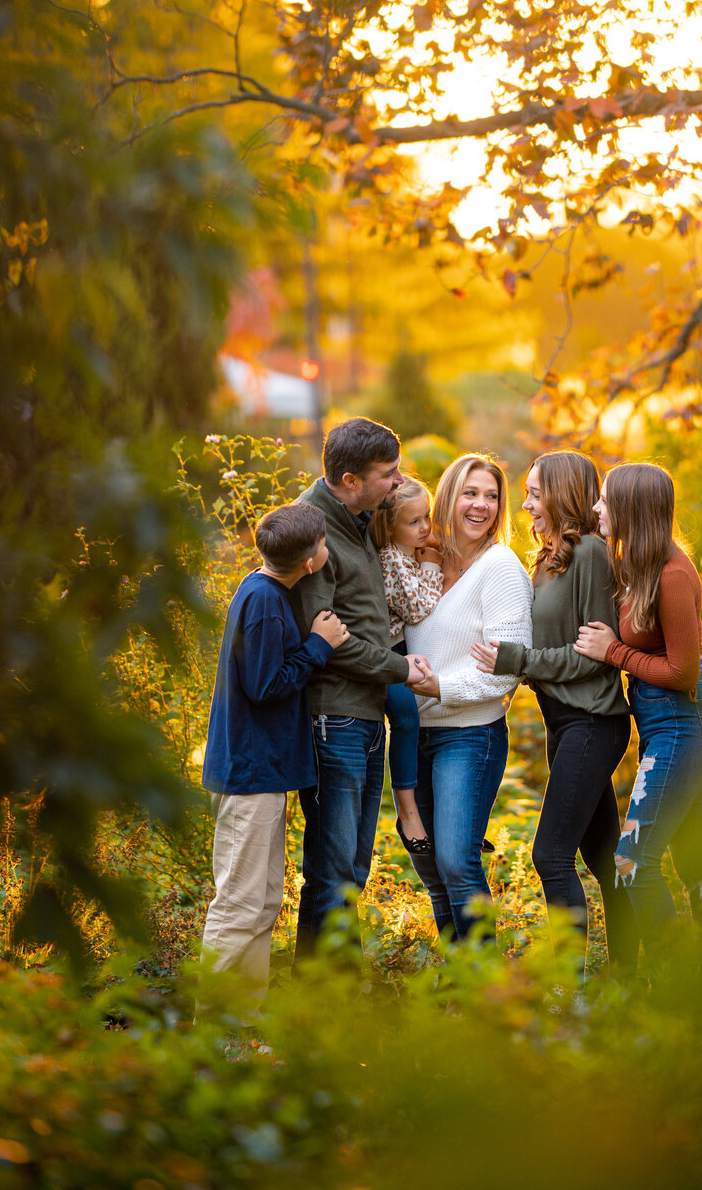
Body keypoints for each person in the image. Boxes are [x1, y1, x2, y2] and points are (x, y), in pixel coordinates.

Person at [472, 450, 637, 975]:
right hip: (563, 721)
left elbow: (591, 658)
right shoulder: (546, 562)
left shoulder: (590, 552)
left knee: (550, 855)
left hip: (593, 720)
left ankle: (570, 982)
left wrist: (517, 661)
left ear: (564, 494)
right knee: (605, 860)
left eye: (536, 493)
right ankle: (637, 975)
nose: (526, 505)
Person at [291, 419, 433, 959]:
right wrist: (401, 669)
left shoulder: (359, 515)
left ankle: (337, 985)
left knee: (353, 863)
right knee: (331, 869)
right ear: (350, 479)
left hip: (366, 717)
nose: (399, 482)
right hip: (335, 720)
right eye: (388, 474)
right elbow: (326, 638)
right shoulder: (314, 531)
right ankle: (320, 995)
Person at [575, 462, 702, 958]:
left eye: (605, 501)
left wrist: (613, 653)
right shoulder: (637, 565)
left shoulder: (672, 576)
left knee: (632, 862)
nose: (597, 508)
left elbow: (683, 673)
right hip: (664, 724)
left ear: (632, 510)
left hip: (688, 723)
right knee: (695, 859)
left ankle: (674, 987)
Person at [200, 502, 348, 1014]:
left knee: (262, 902)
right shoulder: (263, 601)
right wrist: (318, 646)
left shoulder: (265, 590)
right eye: (324, 544)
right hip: (249, 773)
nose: (326, 551)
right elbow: (265, 686)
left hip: (264, 773)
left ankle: (241, 1019)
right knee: (239, 904)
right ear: (310, 562)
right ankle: (216, 1030)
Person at [401, 454, 533, 942]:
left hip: (468, 735)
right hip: (415, 734)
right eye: (470, 493)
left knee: (457, 860)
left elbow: (507, 669)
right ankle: (460, 978)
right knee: (429, 862)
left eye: (492, 496)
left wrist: (441, 686)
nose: (481, 505)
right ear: (448, 497)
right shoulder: (423, 562)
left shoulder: (499, 567)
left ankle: (483, 982)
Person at [370, 476, 444, 854]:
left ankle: (440, 816)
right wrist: (432, 564)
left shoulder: (404, 553)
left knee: (417, 724)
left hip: (400, 649)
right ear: (389, 526)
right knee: (405, 718)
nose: (425, 528)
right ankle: (407, 810)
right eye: (414, 522)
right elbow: (418, 609)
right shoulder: (391, 559)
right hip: (387, 653)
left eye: (426, 517)